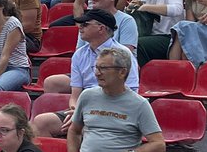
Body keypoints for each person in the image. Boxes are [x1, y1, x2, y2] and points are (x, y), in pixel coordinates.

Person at [34, 8, 140, 137]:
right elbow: (75, 95)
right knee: (41, 122)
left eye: (85, 25)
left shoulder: (123, 54)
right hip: (84, 109)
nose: (80, 27)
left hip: (113, 110)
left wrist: (87, 113)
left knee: (86, 128)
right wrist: (76, 112)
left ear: (101, 29)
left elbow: (132, 92)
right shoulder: (79, 54)